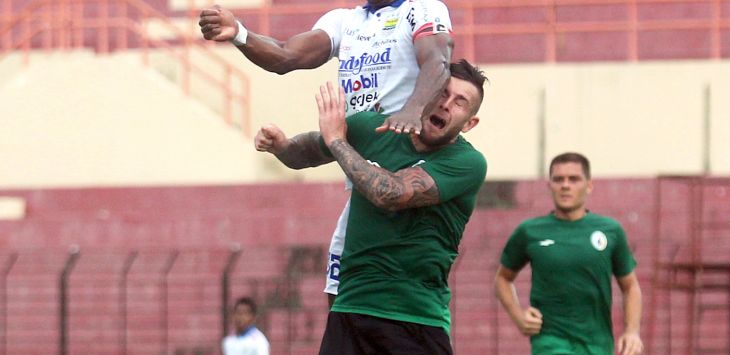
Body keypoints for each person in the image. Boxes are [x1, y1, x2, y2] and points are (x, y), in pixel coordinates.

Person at [199, 0, 454, 303]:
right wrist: (239, 33)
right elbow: (285, 54)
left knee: (410, 305)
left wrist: (414, 110)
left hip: (408, 176)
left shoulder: (422, 9)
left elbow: (437, 60)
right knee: (340, 297)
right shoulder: (344, 22)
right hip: (362, 184)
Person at [254, 59, 487, 355]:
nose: (445, 104)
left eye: (460, 102)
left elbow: (390, 193)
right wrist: (281, 146)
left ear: (469, 123)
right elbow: (309, 151)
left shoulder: (467, 163)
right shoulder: (373, 128)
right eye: (442, 92)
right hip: (351, 310)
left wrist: (337, 140)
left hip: (414, 318)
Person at [494, 152, 644, 355]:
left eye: (573, 179)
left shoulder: (610, 230)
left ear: (589, 185)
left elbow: (630, 286)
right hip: (549, 342)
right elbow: (503, 278)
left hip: (597, 345)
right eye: (558, 179)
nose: (565, 185)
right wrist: (518, 317)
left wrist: (632, 331)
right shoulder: (530, 231)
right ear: (550, 186)